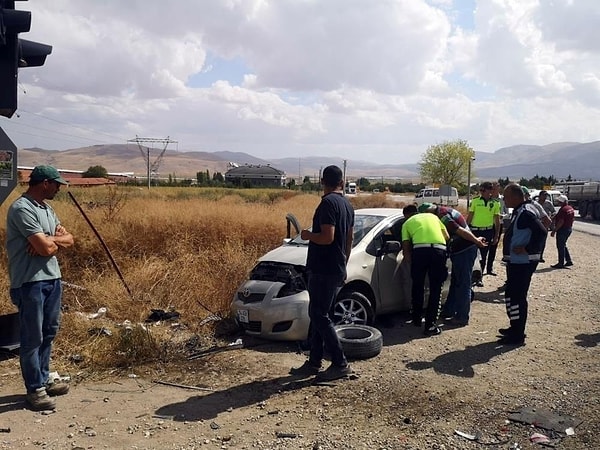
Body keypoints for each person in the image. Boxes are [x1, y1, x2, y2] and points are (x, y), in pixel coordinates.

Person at [6, 165, 75, 411]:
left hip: (52, 278)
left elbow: (69, 240)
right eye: (56, 184)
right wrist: (50, 243)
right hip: (30, 281)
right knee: (31, 337)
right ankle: (35, 389)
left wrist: (51, 240)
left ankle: (44, 378)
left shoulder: (47, 209)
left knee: (48, 332)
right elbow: (46, 249)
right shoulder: (22, 208)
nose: (58, 188)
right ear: (44, 183)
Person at [290, 165, 354, 381]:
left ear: (322, 182)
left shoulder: (327, 204)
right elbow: (348, 239)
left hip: (323, 268)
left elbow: (327, 237)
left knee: (319, 315)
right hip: (336, 267)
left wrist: (308, 235)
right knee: (318, 314)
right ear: (342, 182)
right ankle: (314, 362)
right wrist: (344, 262)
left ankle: (340, 362)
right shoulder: (347, 204)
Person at [418, 203, 487, 327]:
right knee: (456, 282)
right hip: (460, 250)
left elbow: (459, 230)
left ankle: (462, 317)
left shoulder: (442, 215)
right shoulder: (444, 211)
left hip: (464, 250)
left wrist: (476, 241)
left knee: (463, 284)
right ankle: (449, 311)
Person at [499, 183, 547, 345]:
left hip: (522, 262)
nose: (504, 200)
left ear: (515, 197)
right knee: (512, 295)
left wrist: (528, 248)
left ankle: (518, 334)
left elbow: (541, 231)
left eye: (505, 197)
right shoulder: (521, 210)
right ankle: (515, 328)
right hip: (516, 261)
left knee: (517, 296)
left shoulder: (526, 212)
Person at [401, 204, 449, 336]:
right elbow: (446, 236)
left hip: (420, 251)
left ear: (407, 215)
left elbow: (406, 248)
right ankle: (430, 325)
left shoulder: (407, 223)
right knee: (436, 288)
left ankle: (416, 318)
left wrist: (411, 262)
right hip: (439, 251)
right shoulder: (433, 217)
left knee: (418, 285)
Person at [467, 181, 501, 280]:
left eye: (483, 190)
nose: (481, 192)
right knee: (472, 254)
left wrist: (496, 236)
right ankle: (470, 275)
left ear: (490, 191)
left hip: (488, 231)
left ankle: (479, 278)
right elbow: (470, 217)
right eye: (480, 190)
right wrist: (465, 229)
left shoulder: (495, 204)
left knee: (483, 255)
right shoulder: (475, 201)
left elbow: (497, 222)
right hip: (475, 231)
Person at [551, 194, 575, 269]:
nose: (558, 202)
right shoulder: (570, 208)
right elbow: (572, 219)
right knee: (563, 245)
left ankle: (561, 263)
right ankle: (568, 260)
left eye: (559, 201)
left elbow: (561, 221)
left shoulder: (563, 209)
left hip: (563, 230)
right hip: (568, 229)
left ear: (562, 202)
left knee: (560, 246)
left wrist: (554, 230)